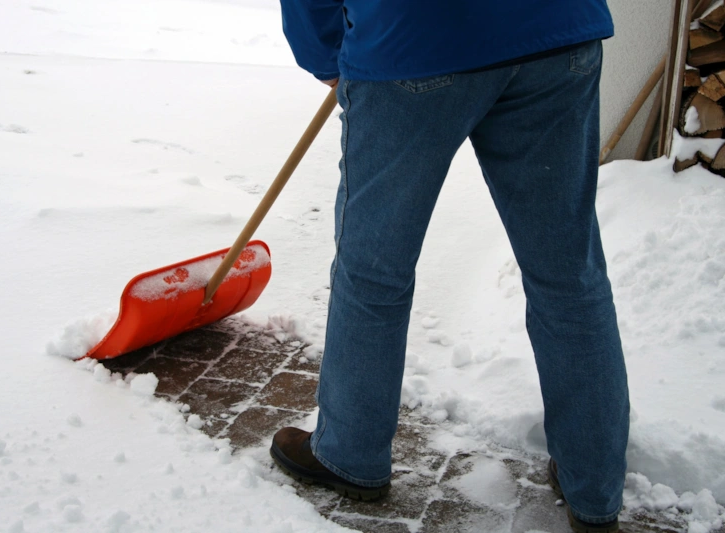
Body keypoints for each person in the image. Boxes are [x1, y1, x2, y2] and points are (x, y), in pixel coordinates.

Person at [269, 2, 630, 532]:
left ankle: (350, 453)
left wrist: (328, 54)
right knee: (568, 275)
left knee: (373, 274)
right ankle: (595, 484)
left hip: (414, 42)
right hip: (555, 35)